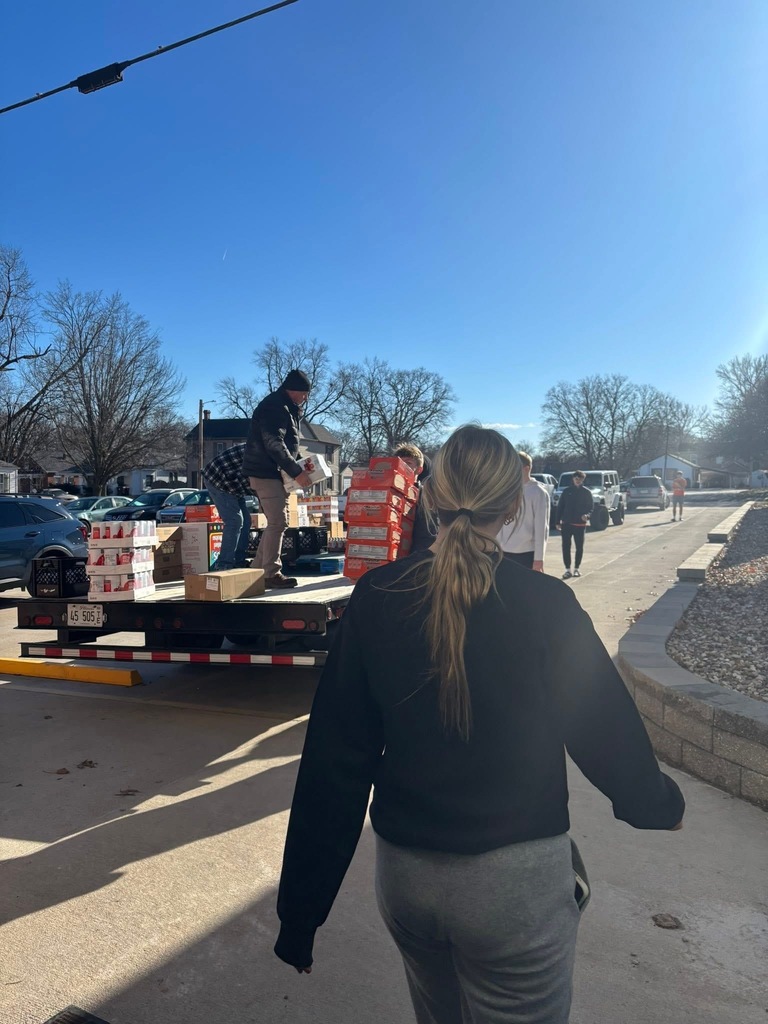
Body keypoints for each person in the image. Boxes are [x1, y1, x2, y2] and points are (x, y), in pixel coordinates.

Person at [274, 424, 684, 1023]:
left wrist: (301, 915)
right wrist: (657, 806)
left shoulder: (377, 596)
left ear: (430, 498)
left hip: (407, 879)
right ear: (516, 502)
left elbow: (335, 760)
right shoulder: (547, 606)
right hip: (515, 887)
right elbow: (605, 730)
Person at [242, 369, 315, 589]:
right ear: (294, 391)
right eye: (305, 393)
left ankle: (257, 571)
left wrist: (301, 462)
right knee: (278, 523)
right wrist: (297, 471)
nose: (306, 398)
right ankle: (271, 573)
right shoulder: (275, 407)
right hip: (266, 472)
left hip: (270, 472)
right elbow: (274, 444)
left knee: (275, 523)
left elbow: (287, 445)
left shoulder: (284, 407)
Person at [202, 443, 253, 571]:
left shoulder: (268, 455)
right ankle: (224, 564)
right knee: (234, 521)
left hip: (234, 484)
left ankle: (239, 561)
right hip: (217, 479)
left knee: (246, 521)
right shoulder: (260, 456)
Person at [496, 450, 549, 570]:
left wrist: (539, 558)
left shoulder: (538, 492)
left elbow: (542, 528)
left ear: (526, 468)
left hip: (526, 553)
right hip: (503, 552)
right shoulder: (506, 491)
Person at [393, 442, 437, 552]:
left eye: (408, 463)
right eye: (400, 463)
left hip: (411, 561)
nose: (403, 467)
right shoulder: (388, 493)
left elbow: (428, 535)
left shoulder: (425, 497)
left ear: (419, 469)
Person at [556, 471, 593, 579]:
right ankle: (568, 570)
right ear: (573, 479)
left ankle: (577, 568)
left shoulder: (586, 492)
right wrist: (557, 522)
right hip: (566, 524)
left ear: (582, 480)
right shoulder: (567, 491)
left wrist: (587, 515)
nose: (577, 480)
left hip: (580, 525)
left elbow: (591, 508)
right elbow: (560, 507)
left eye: (580, 478)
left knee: (579, 547)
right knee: (566, 547)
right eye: (576, 478)